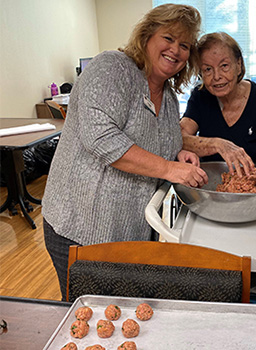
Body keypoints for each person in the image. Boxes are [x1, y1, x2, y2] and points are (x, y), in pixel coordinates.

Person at [42, 4, 207, 300]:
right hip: (80, 230)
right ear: (147, 36)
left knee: (121, 313)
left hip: (130, 234)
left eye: (184, 45)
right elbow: (102, 138)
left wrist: (177, 156)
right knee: (89, 319)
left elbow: (158, 145)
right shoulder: (112, 68)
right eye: (168, 38)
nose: (176, 50)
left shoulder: (169, 97)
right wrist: (170, 169)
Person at [180, 32, 256, 182]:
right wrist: (217, 144)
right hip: (213, 184)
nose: (216, 76)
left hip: (255, 185)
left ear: (239, 65)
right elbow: (180, 139)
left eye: (224, 66)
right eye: (208, 69)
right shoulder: (200, 96)